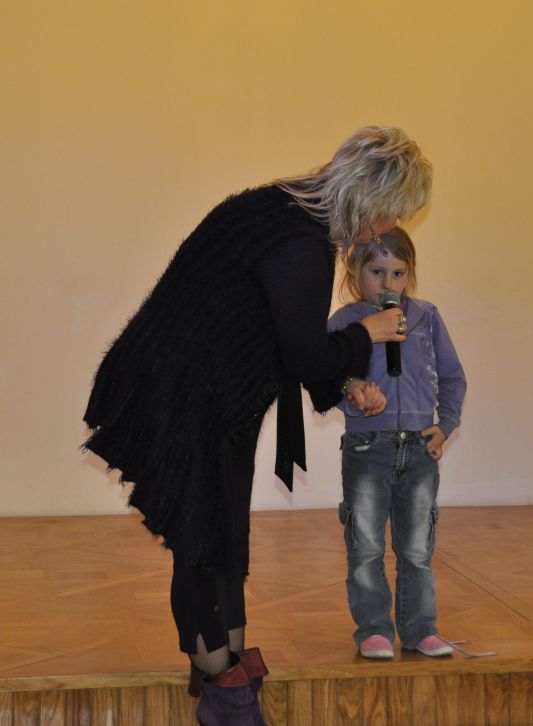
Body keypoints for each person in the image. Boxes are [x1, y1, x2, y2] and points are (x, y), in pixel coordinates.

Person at [82, 127, 433, 725]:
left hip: (206, 388)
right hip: (185, 391)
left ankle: (228, 660)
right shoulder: (301, 243)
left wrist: (345, 380)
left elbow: (284, 334)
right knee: (203, 537)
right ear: (368, 197)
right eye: (390, 213)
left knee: (222, 533)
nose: (386, 229)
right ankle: (220, 684)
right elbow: (304, 354)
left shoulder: (281, 209)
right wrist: (365, 336)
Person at [328, 226, 466, 661]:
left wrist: (445, 425)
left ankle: (420, 628)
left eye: (398, 273)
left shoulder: (426, 317)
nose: (388, 283)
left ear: (410, 274)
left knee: (417, 548)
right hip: (367, 448)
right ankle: (373, 630)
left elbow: (453, 376)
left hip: (419, 449)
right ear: (356, 270)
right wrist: (353, 392)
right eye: (377, 272)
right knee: (366, 545)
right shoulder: (345, 323)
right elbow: (327, 379)